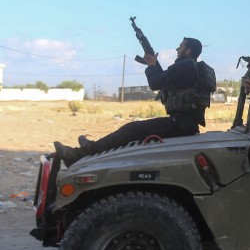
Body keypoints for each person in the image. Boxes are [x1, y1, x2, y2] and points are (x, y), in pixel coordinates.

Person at [54, 37, 212, 165]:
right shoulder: (193, 67)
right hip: (185, 123)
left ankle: (78, 154)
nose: (177, 50)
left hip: (180, 125)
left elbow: (156, 83)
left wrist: (151, 65)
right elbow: (164, 79)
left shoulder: (185, 65)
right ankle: (92, 149)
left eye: (181, 47)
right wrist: (153, 64)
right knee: (133, 133)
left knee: (131, 130)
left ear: (189, 50)